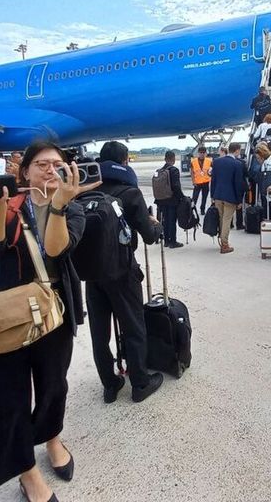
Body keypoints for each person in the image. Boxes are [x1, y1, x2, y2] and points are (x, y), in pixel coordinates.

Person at [0, 141, 98, 501]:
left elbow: (58, 249)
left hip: (53, 311)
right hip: (7, 314)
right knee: (7, 396)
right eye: (41, 163)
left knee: (53, 385)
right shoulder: (7, 203)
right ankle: (26, 471)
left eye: (57, 163)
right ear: (23, 171)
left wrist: (57, 207)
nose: (49, 169)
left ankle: (51, 437)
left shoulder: (73, 209)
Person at [86, 141, 165, 405]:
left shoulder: (87, 190)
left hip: (92, 273)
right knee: (134, 326)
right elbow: (150, 236)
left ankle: (110, 385)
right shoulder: (130, 193)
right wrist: (156, 225)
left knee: (99, 332)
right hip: (121, 271)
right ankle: (140, 383)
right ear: (125, 161)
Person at [210, 142, 247, 254]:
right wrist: (239, 200)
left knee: (221, 219)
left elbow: (213, 180)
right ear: (236, 150)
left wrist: (212, 195)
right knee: (227, 220)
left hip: (218, 195)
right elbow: (238, 184)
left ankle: (222, 241)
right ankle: (224, 244)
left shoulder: (217, 162)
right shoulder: (237, 164)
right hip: (230, 197)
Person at [154, 150, 185, 248]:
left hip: (161, 200)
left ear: (165, 159)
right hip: (171, 200)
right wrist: (182, 197)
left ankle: (166, 240)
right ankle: (173, 241)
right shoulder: (174, 170)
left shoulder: (159, 171)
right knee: (172, 221)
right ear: (173, 159)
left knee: (165, 220)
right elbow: (176, 186)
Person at [189, 146, 213, 215]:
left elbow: (212, 171)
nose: (202, 154)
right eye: (200, 153)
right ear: (198, 153)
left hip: (206, 182)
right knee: (194, 198)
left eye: (203, 153)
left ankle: (202, 209)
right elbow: (192, 173)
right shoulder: (193, 161)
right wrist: (193, 181)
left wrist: (211, 174)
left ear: (206, 153)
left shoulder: (209, 161)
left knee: (204, 198)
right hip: (197, 183)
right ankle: (192, 210)